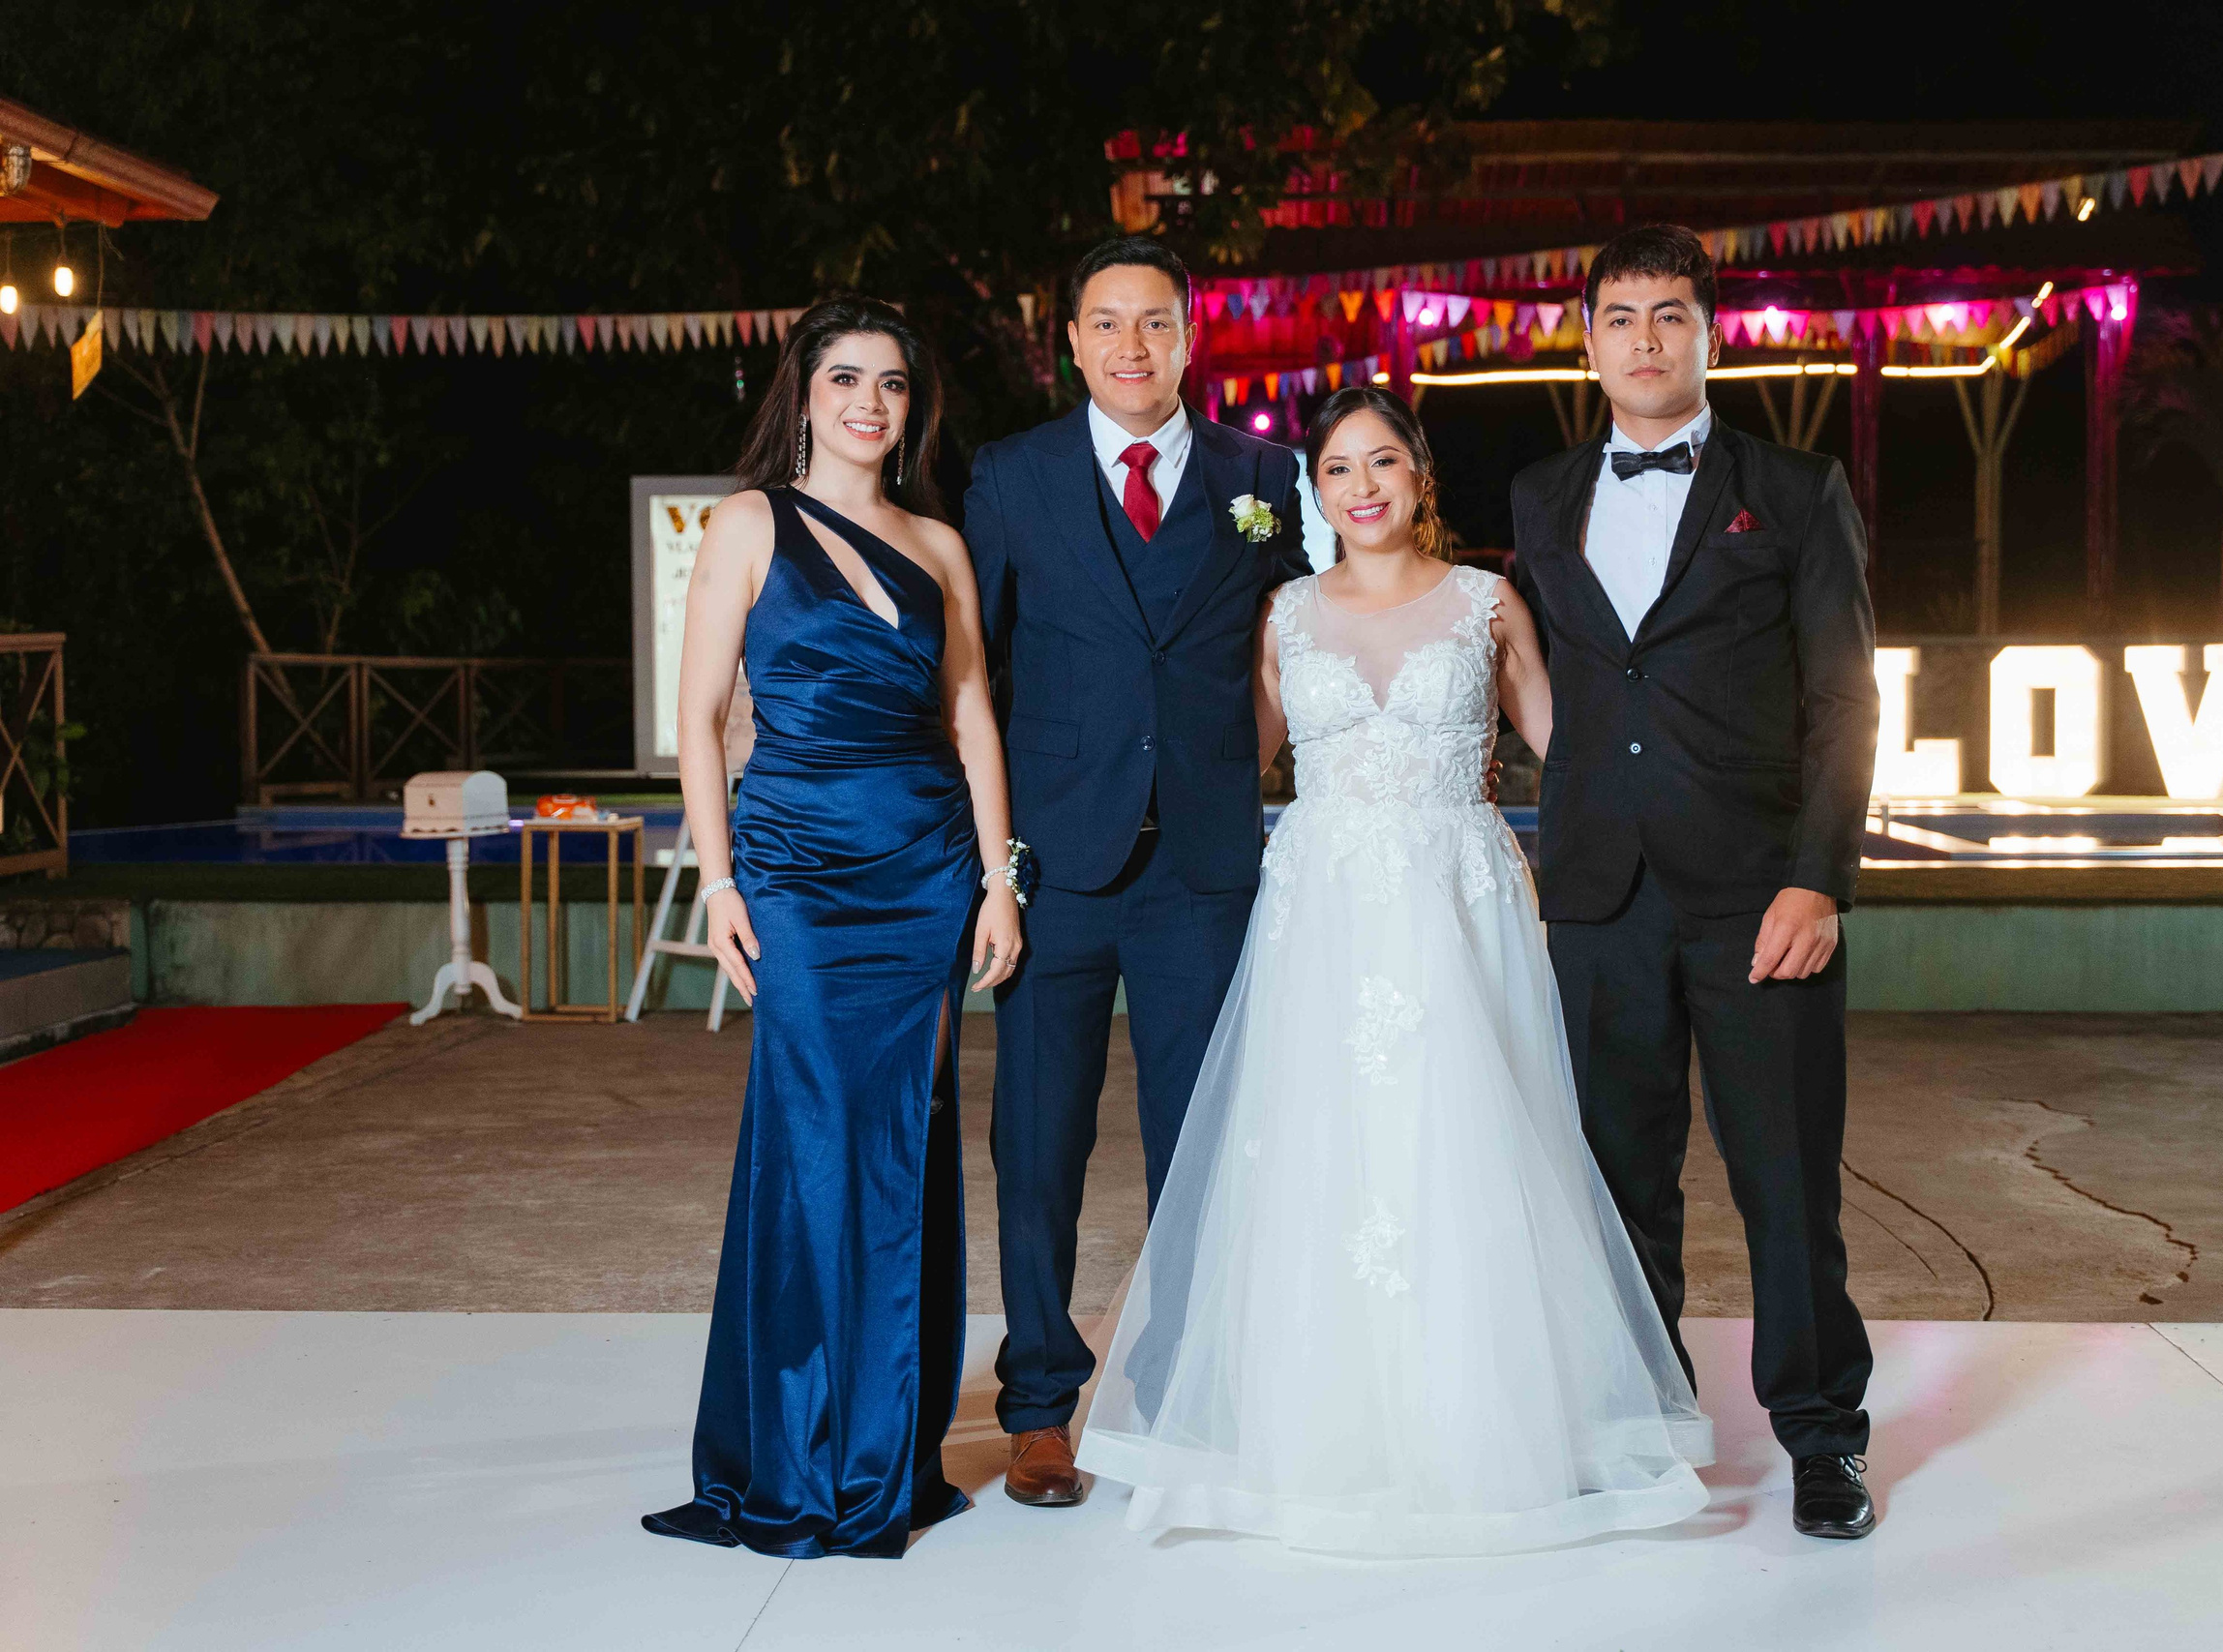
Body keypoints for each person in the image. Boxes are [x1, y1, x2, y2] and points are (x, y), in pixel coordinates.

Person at [1076, 387, 1712, 1556]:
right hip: (1320, 910)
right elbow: (1228, 764)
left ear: (1419, 475)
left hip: (1455, 903)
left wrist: (1690, 838)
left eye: (1381, 462)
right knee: (1324, 1148)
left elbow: (1574, 749)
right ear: (1313, 492)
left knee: (1464, 1142)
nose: (1359, 486)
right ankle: (1318, 1424)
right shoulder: (1281, 614)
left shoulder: (1486, 602)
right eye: (1335, 469)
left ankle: (1482, 1422)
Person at [1509, 225, 1882, 1540]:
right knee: (1616, 1188)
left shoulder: (1794, 488)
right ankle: (1637, 1431)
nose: (1646, 339)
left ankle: (1823, 1438)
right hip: (1597, 894)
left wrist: (1818, 879)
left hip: (1756, 898)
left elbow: (1844, 697)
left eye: (1670, 314)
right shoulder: (1540, 495)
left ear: (1710, 335)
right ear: (1588, 340)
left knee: (1786, 1182)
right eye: (1620, 317)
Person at [643, 296, 1024, 1559]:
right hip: (797, 873)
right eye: (846, 378)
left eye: (893, 383)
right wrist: (720, 882)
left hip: (926, 870)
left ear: (915, 407)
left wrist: (999, 879)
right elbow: (702, 719)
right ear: (803, 392)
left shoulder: (939, 544)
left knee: (900, 1142)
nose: (871, 402)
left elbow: (970, 719)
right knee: (814, 1138)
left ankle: (882, 1449)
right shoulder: (749, 524)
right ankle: (797, 1452)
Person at [964, 237, 1312, 1508]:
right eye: (1106, 322)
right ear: (1071, 341)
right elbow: (971, 676)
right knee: (1037, 1144)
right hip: (1054, 865)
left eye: (1155, 322)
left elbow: (1306, 638)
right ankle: (1039, 1409)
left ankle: (1182, 1395)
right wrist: (985, 861)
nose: (1131, 345)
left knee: (1204, 1146)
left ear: (1190, 337)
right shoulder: (1010, 476)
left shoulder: (1262, 476)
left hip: (1203, 868)